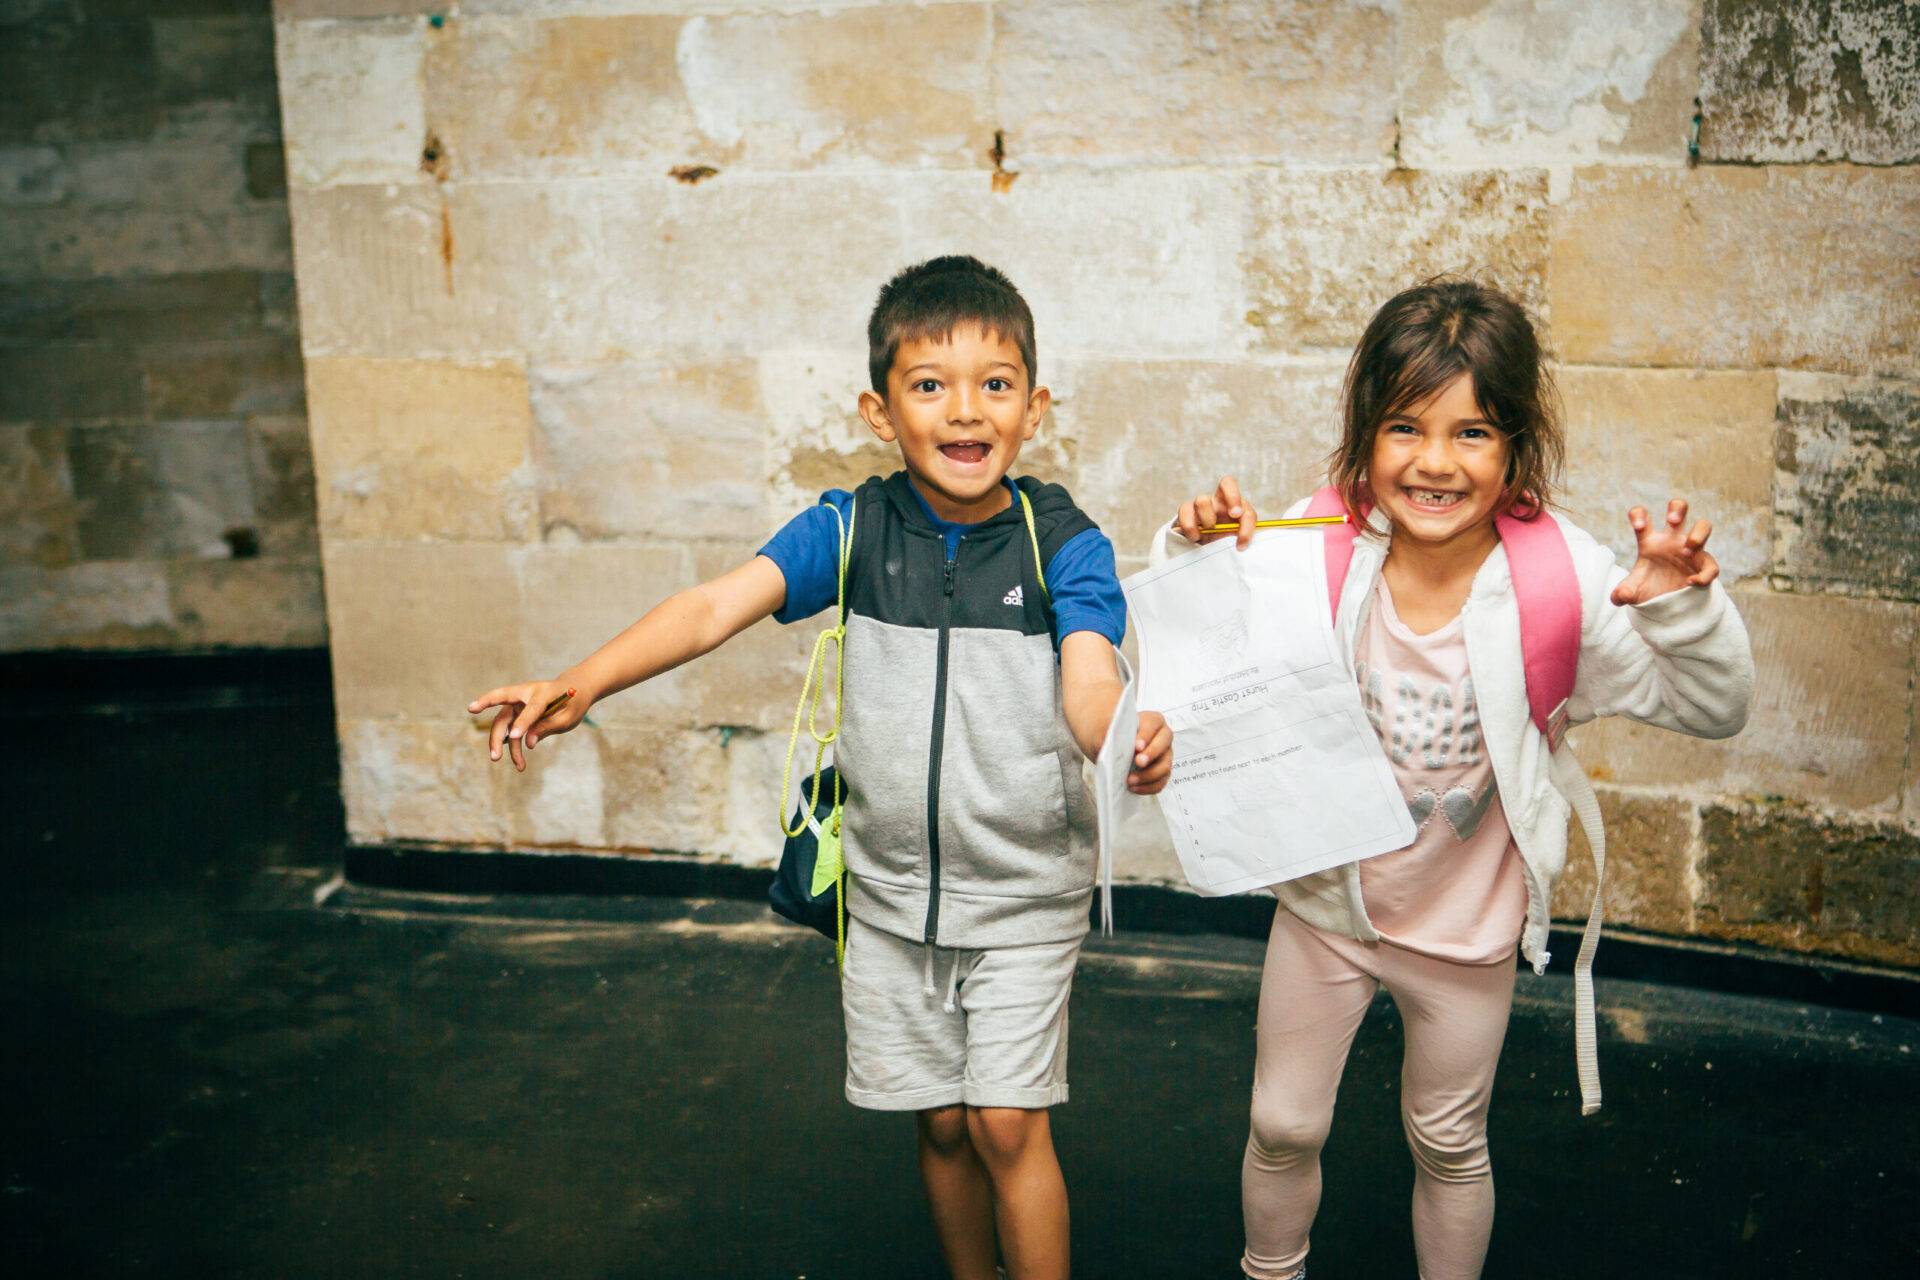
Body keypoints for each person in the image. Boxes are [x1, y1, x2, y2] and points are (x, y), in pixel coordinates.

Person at [469, 255, 1173, 1280]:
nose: (965, 408)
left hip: (1025, 894)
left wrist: (1122, 736)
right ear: (880, 412)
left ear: (1035, 407)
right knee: (941, 1121)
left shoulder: (1063, 543)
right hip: (886, 897)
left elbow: (1091, 676)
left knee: (1006, 1122)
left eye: (995, 382)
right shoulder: (851, 529)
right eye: (929, 384)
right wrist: (585, 681)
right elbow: (711, 607)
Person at [1162, 278, 1754, 1280]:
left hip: (1465, 931)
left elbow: (1714, 705)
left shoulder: (1559, 579)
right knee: (1282, 1123)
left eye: (1472, 432)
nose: (1435, 462)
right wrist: (1196, 547)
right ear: (1364, 436)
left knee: (1447, 1141)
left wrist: (1680, 612)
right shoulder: (1318, 544)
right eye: (1405, 426)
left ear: (1516, 448)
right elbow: (1199, 637)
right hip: (1329, 908)